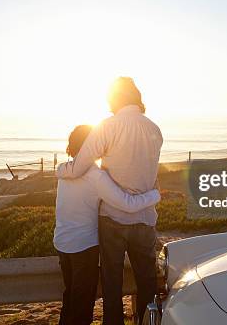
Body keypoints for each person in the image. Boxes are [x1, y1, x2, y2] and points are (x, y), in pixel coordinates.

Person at [57, 77, 163, 325]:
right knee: (147, 281)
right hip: (145, 218)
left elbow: (80, 167)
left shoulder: (108, 126)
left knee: (112, 284)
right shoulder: (154, 129)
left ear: (114, 99)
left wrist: (60, 170)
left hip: (112, 220)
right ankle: (146, 322)